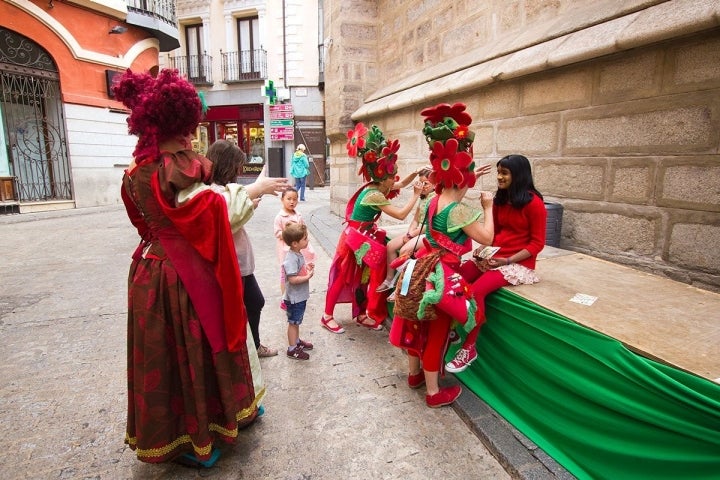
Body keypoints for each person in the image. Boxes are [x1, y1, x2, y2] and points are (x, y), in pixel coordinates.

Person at [114, 69, 288, 467]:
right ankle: (199, 437)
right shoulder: (169, 167)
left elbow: (145, 223)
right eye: (185, 129)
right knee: (195, 346)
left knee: (166, 354)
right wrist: (253, 190)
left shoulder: (135, 171)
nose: (192, 137)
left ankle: (187, 429)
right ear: (168, 125)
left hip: (148, 269)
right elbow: (208, 211)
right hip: (181, 276)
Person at [389, 102, 494, 408]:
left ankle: (414, 375)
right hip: (442, 275)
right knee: (436, 333)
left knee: (414, 323)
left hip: (422, 267)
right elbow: (487, 237)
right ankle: (434, 393)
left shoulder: (434, 200)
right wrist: (488, 208)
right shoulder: (459, 209)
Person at [446, 153, 547, 373]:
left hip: (516, 263)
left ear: (518, 175)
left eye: (505, 173)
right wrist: (484, 250)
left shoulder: (534, 203)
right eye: (499, 172)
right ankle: (452, 327)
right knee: (455, 280)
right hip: (494, 256)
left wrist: (507, 259)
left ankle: (469, 347)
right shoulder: (499, 199)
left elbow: (537, 243)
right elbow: (495, 233)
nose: (499, 177)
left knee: (475, 291)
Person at [321, 123, 422, 334]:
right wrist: (416, 195)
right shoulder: (374, 195)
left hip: (363, 238)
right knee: (342, 276)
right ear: (382, 177)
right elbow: (402, 214)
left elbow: (401, 183)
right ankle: (327, 316)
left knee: (361, 277)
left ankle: (360, 313)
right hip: (354, 240)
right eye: (391, 176)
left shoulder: (377, 186)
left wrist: (416, 173)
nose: (394, 179)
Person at [207, 139, 282, 358]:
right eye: (236, 165)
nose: (239, 170)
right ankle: (247, 349)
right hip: (231, 263)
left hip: (240, 262)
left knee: (254, 302)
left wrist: (252, 200)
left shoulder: (223, 190)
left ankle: (252, 346)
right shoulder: (215, 192)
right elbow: (227, 218)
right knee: (249, 304)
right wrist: (255, 193)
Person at [376, 168, 435, 293]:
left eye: (426, 183)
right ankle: (389, 279)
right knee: (391, 245)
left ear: (435, 184)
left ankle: (403, 285)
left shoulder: (434, 199)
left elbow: (429, 224)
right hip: (417, 232)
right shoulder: (423, 198)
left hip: (430, 233)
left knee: (405, 250)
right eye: (420, 183)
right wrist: (409, 232)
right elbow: (415, 219)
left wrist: (412, 234)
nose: (422, 186)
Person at [273, 188, 316, 301]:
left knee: (298, 270)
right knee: (286, 274)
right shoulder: (280, 217)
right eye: (289, 199)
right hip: (285, 250)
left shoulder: (298, 215)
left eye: (295, 199)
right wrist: (289, 233)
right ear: (282, 200)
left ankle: (296, 295)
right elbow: (277, 233)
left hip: (297, 250)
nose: (292, 202)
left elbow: (303, 228)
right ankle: (285, 298)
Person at [281, 221, 315, 360]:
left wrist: (306, 266)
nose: (308, 240)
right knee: (293, 323)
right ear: (295, 243)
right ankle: (292, 349)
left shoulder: (297, 254)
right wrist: (308, 276)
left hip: (299, 297)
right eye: (305, 238)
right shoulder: (291, 258)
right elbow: (293, 279)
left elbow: (298, 270)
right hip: (294, 298)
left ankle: (296, 341)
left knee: (296, 322)